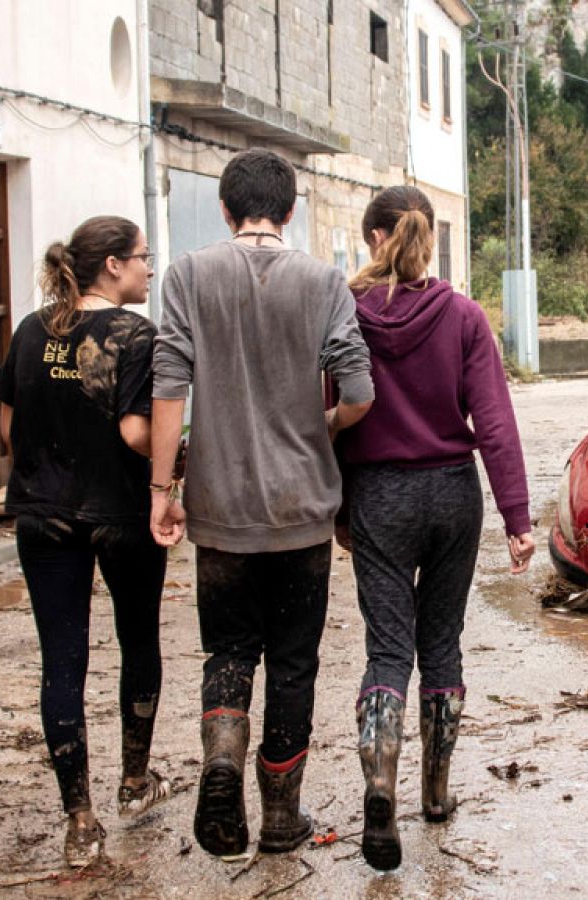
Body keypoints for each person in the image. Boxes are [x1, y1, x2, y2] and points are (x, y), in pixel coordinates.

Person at [148, 149, 373, 859]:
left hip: (220, 508)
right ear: (290, 210)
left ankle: (221, 760)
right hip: (302, 508)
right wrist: (324, 427)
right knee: (295, 663)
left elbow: (168, 387)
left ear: (224, 209)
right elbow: (360, 393)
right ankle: (281, 818)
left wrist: (164, 490)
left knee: (230, 647)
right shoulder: (323, 280)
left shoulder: (186, 276)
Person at [336, 186, 535, 870]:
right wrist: (517, 517)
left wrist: (338, 510)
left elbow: (327, 413)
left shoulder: (348, 316)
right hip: (453, 493)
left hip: (378, 495)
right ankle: (437, 793)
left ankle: (380, 783)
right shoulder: (463, 316)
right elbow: (497, 423)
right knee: (441, 644)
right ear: (427, 239)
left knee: (388, 650)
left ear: (372, 239)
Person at [0, 216, 171, 868]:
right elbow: (133, 431)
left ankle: (80, 818)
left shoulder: (33, 329)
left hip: (44, 515)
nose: (150, 269)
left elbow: (8, 422)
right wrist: (179, 464)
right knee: (137, 639)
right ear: (113, 266)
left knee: (61, 662)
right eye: (144, 258)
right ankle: (134, 781)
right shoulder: (134, 335)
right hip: (120, 512)